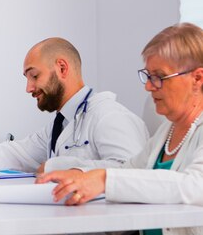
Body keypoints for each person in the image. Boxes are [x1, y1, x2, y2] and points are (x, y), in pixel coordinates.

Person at [38, 23, 203, 235]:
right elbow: (128, 172)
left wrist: (104, 180)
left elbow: (195, 186)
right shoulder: (166, 132)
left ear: (197, 78)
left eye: (159, 77)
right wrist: (78, 176)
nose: (148, 86)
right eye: (148, 75)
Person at [0, 37, 149, 174]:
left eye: (34, 76)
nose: (29, 88)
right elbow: (15, 153)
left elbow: (133, 171)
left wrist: (57, 166)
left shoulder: (108, 116)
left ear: (62, 68)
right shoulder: (62, 124)